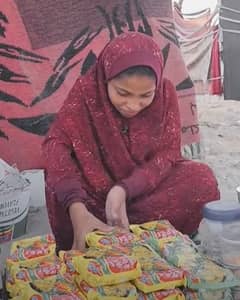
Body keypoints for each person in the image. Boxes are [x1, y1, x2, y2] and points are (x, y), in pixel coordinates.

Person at [43, 32, 220, 251]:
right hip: (93, 201)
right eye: (122, 93)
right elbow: (55, 146)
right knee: (57, 182)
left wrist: (124, 189)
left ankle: (136, 236)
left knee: (201, 179)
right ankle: (87, 228)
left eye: (145, 96)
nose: (132, 105)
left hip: (142, 191)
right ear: (106, 77)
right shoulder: (86, 92)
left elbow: (166, 156)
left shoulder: (166, 95)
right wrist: (78, 210)